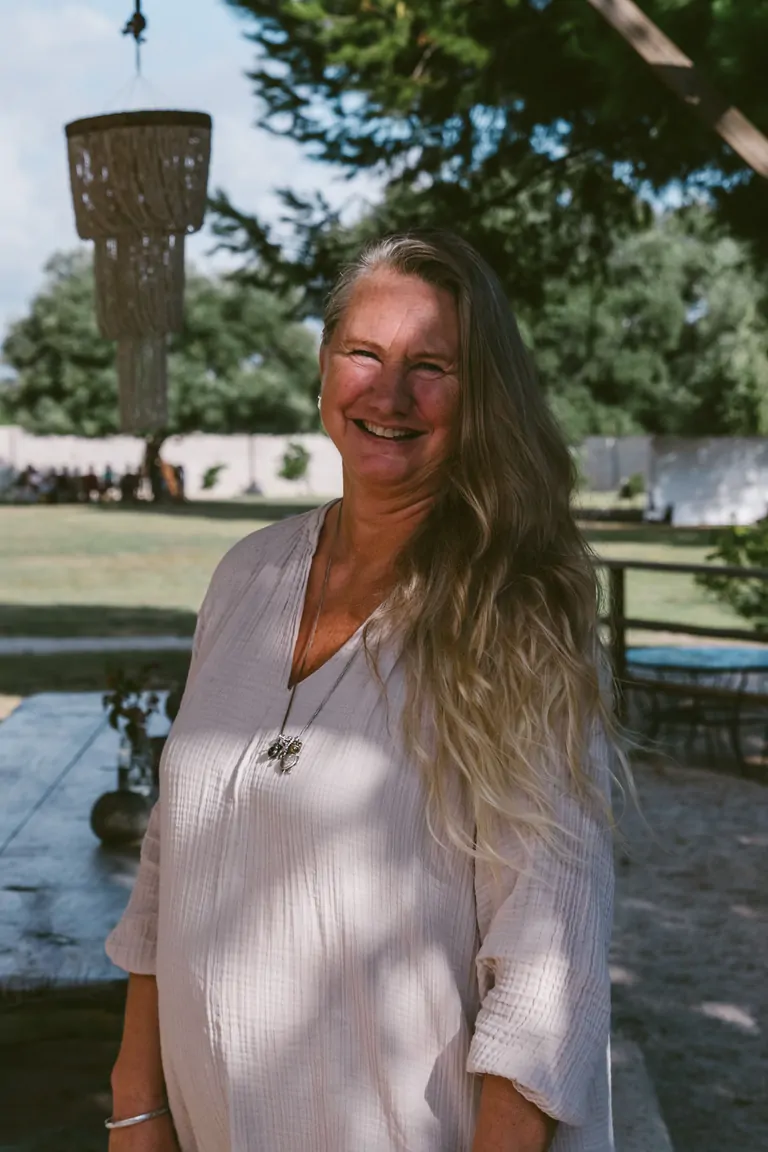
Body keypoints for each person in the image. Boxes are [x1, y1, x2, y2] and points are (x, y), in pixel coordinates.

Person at [105, 231, 622, 1152]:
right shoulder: (247, 577)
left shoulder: (517, 610)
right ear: (323, 366)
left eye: (433, 367)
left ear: (481, 398)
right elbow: (164, 867)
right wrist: (136, 1105)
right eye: (364, 354)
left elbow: (550, 962)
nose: (389, 396)